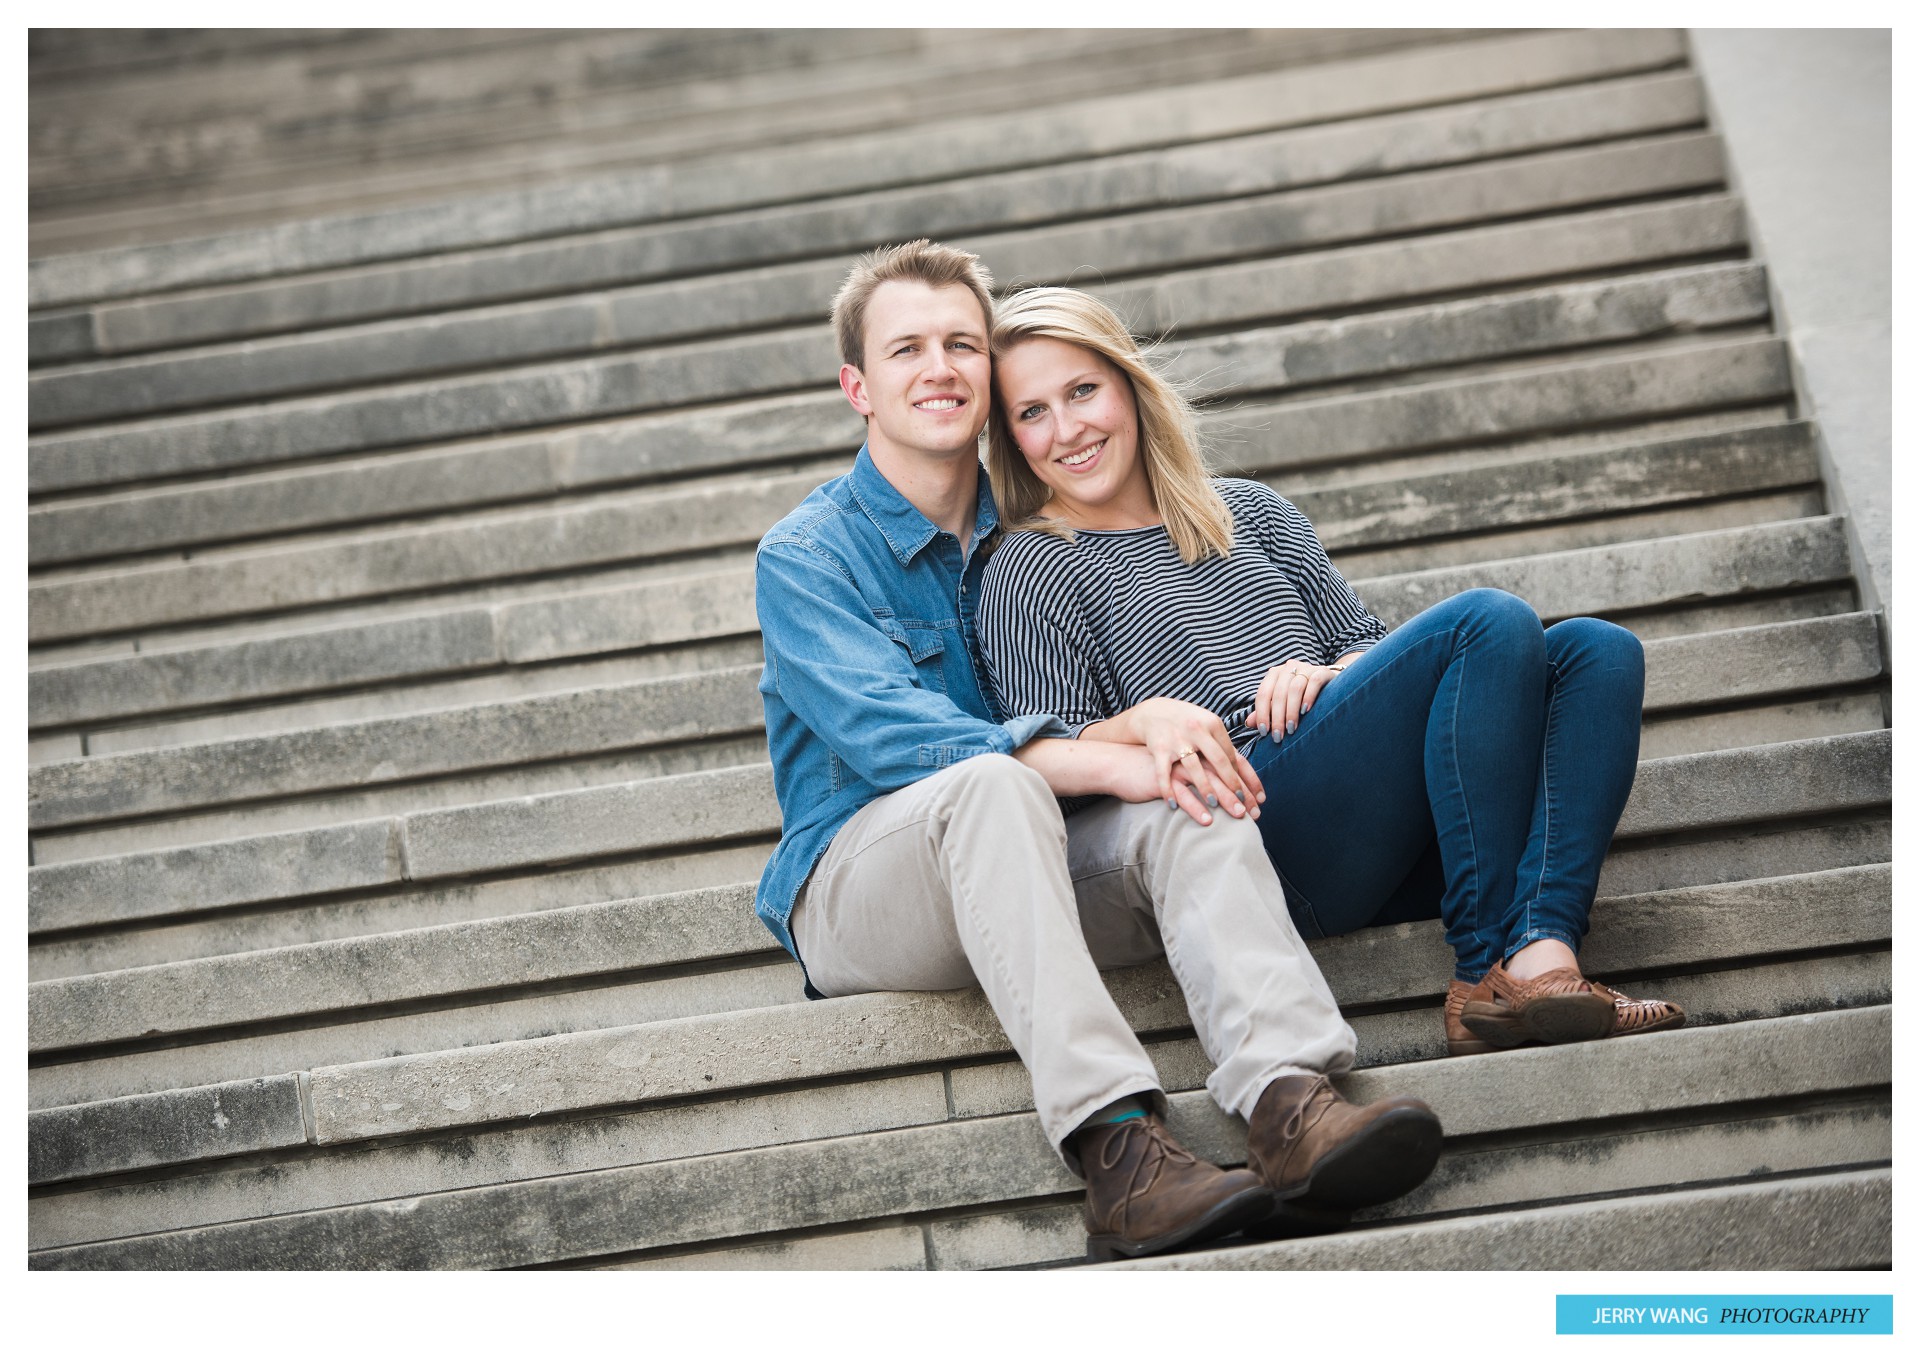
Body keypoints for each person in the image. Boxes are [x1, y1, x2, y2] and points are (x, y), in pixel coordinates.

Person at [753, 241, 1442, 1263]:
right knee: (989, 780)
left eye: (960, 344)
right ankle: (1118, 1151)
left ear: (991, 379)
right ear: (859, 384)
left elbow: (1077, 717)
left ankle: (1291, 1103)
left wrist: (1142, 736)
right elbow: (897, 737)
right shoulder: (807, 554)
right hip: (859, 884)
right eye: (907, 349)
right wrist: (1099, 754)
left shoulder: (1040, 530)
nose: (938, 366)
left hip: (1023, 857)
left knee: (1177, 793)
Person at [973, 286, 1686, 1059]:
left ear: (1129, 388)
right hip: (1252, 831)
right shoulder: (1030, 566)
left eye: (1082, 391)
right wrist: (1157, 718)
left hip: (1375, 824)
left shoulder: (1252, 512)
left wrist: (1325, 676)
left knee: (1596, 651)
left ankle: (1544, 952)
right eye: (1032, 411)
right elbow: (1051, 752)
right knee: (1490, 620)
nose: (1068, 428)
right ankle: (1485, 968)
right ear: (1010, 438)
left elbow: (1371, 649)